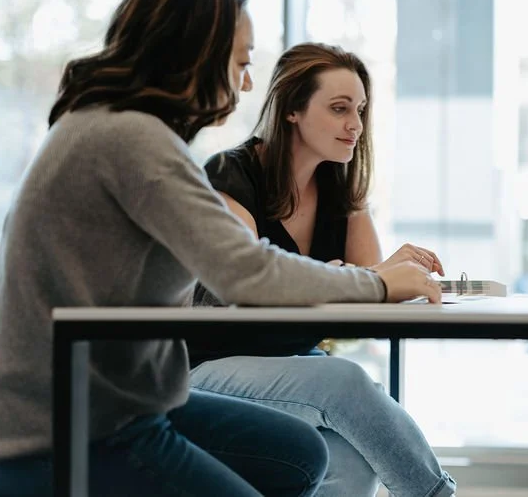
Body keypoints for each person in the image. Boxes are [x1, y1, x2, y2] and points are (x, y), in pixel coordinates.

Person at [0, 0, 442, 497]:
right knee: (313, 431)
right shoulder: (131, 140)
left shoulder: (116, 125)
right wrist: (380, 283)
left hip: (117, 404)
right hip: (58, 431)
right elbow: (247, 272)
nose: (247, 82)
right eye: (240, 61)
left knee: (299, 455)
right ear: (195, 54)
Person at [187, 42, 457, 497]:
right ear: (292, 109)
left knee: (353, 463)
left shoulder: (339, 186)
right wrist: (368, 278)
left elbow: (363, 290)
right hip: (206, 366)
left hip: (291, 368)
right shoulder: (231, 176)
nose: (354, 125)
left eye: (360, 110)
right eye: (338, 109)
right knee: (344, 381)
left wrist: (390, 271)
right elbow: (247, 287)